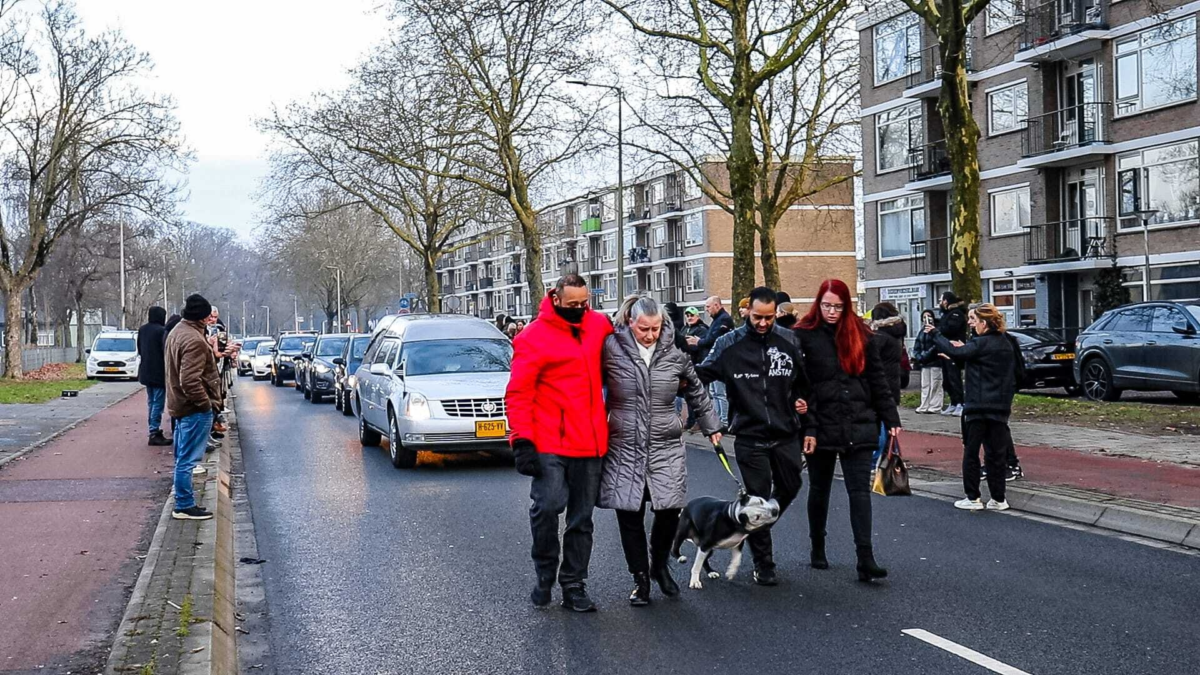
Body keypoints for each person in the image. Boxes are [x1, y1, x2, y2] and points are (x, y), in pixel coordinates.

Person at [600, 296, 722, 606]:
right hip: (624, 443)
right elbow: (590, 387)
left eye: (656, 328)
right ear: (631, 322)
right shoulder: (611, 349)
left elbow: (695, 388)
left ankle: (659, 567)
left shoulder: (674, 353)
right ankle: (640, 579)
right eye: (644, 329)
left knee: (668, 510)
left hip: (665, 443)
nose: (650, 335)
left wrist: (712, 427)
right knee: (629, 513)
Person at [505, 274, 614, 612]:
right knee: (548, 506)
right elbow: (519, 392)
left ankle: (574, 585)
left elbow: (626, 356)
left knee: (582, 519)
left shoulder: (599, 326)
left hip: (590, 441)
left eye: (584, 304)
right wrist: (521, 440)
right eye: (573, 306)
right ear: (556, 299)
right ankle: (545, 572)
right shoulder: (532, 338)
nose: (580, 311)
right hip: (549, 440)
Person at [698, 286, 809, 586]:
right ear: (747, 311)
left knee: (791, 485)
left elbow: (805, 382)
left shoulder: (789, 341)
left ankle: (743, 523)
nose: (762, 323)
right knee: (758, 498)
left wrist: (802, 406)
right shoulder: (728, 343)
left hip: (786, 432)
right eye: (757, 317)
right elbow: (701, 377)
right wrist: (708, 419)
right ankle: (764, 563)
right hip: (749, 434)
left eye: (769, 317)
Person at [794, 279, 899, 583]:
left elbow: (878, 380)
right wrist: (807, 424)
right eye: (826, 305)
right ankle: (817, 545)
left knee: (859, 492)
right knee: (820, 488)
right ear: (818, 304)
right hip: (820, 424)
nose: (831, 311)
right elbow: (802, 385)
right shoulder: (804, 335)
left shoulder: (862, 335)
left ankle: (865, 558)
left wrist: (891, 419)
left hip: (858, 421)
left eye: (838, 306)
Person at [924, 304, 1018, 511]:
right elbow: (979, 362)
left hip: (977, 406)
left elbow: (956, 352)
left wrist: (936, 334)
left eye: (973, 320)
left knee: (972, 452)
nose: (969, 323)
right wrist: (961, 355)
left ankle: (973, 497)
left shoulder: (981, 342)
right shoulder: (1006, 342)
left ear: (984, 323)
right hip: (1000, 406)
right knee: (996, 454)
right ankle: (998, 498)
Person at [165, 294, 222, 521]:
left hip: (179, 405)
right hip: (193, 409)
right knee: (187, 460)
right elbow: (190, 380)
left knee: (181, 457)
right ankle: (184, 504)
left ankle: (182, 500)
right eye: (208, 315)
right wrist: (205, 404)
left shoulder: (176, 332)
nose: (210, 319)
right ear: (201, 316)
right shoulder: (195, 340)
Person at [688, 296, 734, 425]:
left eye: (708, 307)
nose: (706, 310)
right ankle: (719, 419)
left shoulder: (723, 320)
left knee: (720, 393)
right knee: (714, 393)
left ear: (717, 306)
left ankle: (724, 421)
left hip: (721, 361)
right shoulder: (717, 320)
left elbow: (714, 339)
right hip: (715, 361)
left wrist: (698, 341)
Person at [137, 306, 170, 447]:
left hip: (145, 370)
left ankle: (152, 429)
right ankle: (154, 431)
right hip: (159, 372)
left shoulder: (142, 330)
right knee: (158, 403)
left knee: (151, 402)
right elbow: (166, 351)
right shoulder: (162, 331)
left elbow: (139, 348)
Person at [937, 292, 968, 416]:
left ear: (946, 301)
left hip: (953, 350)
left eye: (941, 299)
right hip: (945, 349)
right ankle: (953, 402)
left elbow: (950, 329)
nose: (940, 302)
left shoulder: (956, 314)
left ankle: (960, 403)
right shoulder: (946, 314)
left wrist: (937, 331)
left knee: (955, 377)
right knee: (947, 379)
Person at [911, 309, 946, 413]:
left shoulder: (936, 330)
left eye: (928, 316)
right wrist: (918, 356)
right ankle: (924, 405)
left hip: (935, 361)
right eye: (924, 317)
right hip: (924, 362)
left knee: (936, 384)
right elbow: (917, 344)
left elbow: (937, 344)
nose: (926, 319)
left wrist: (926, 355)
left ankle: (935, 406)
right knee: (925, 384)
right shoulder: (922, 331)